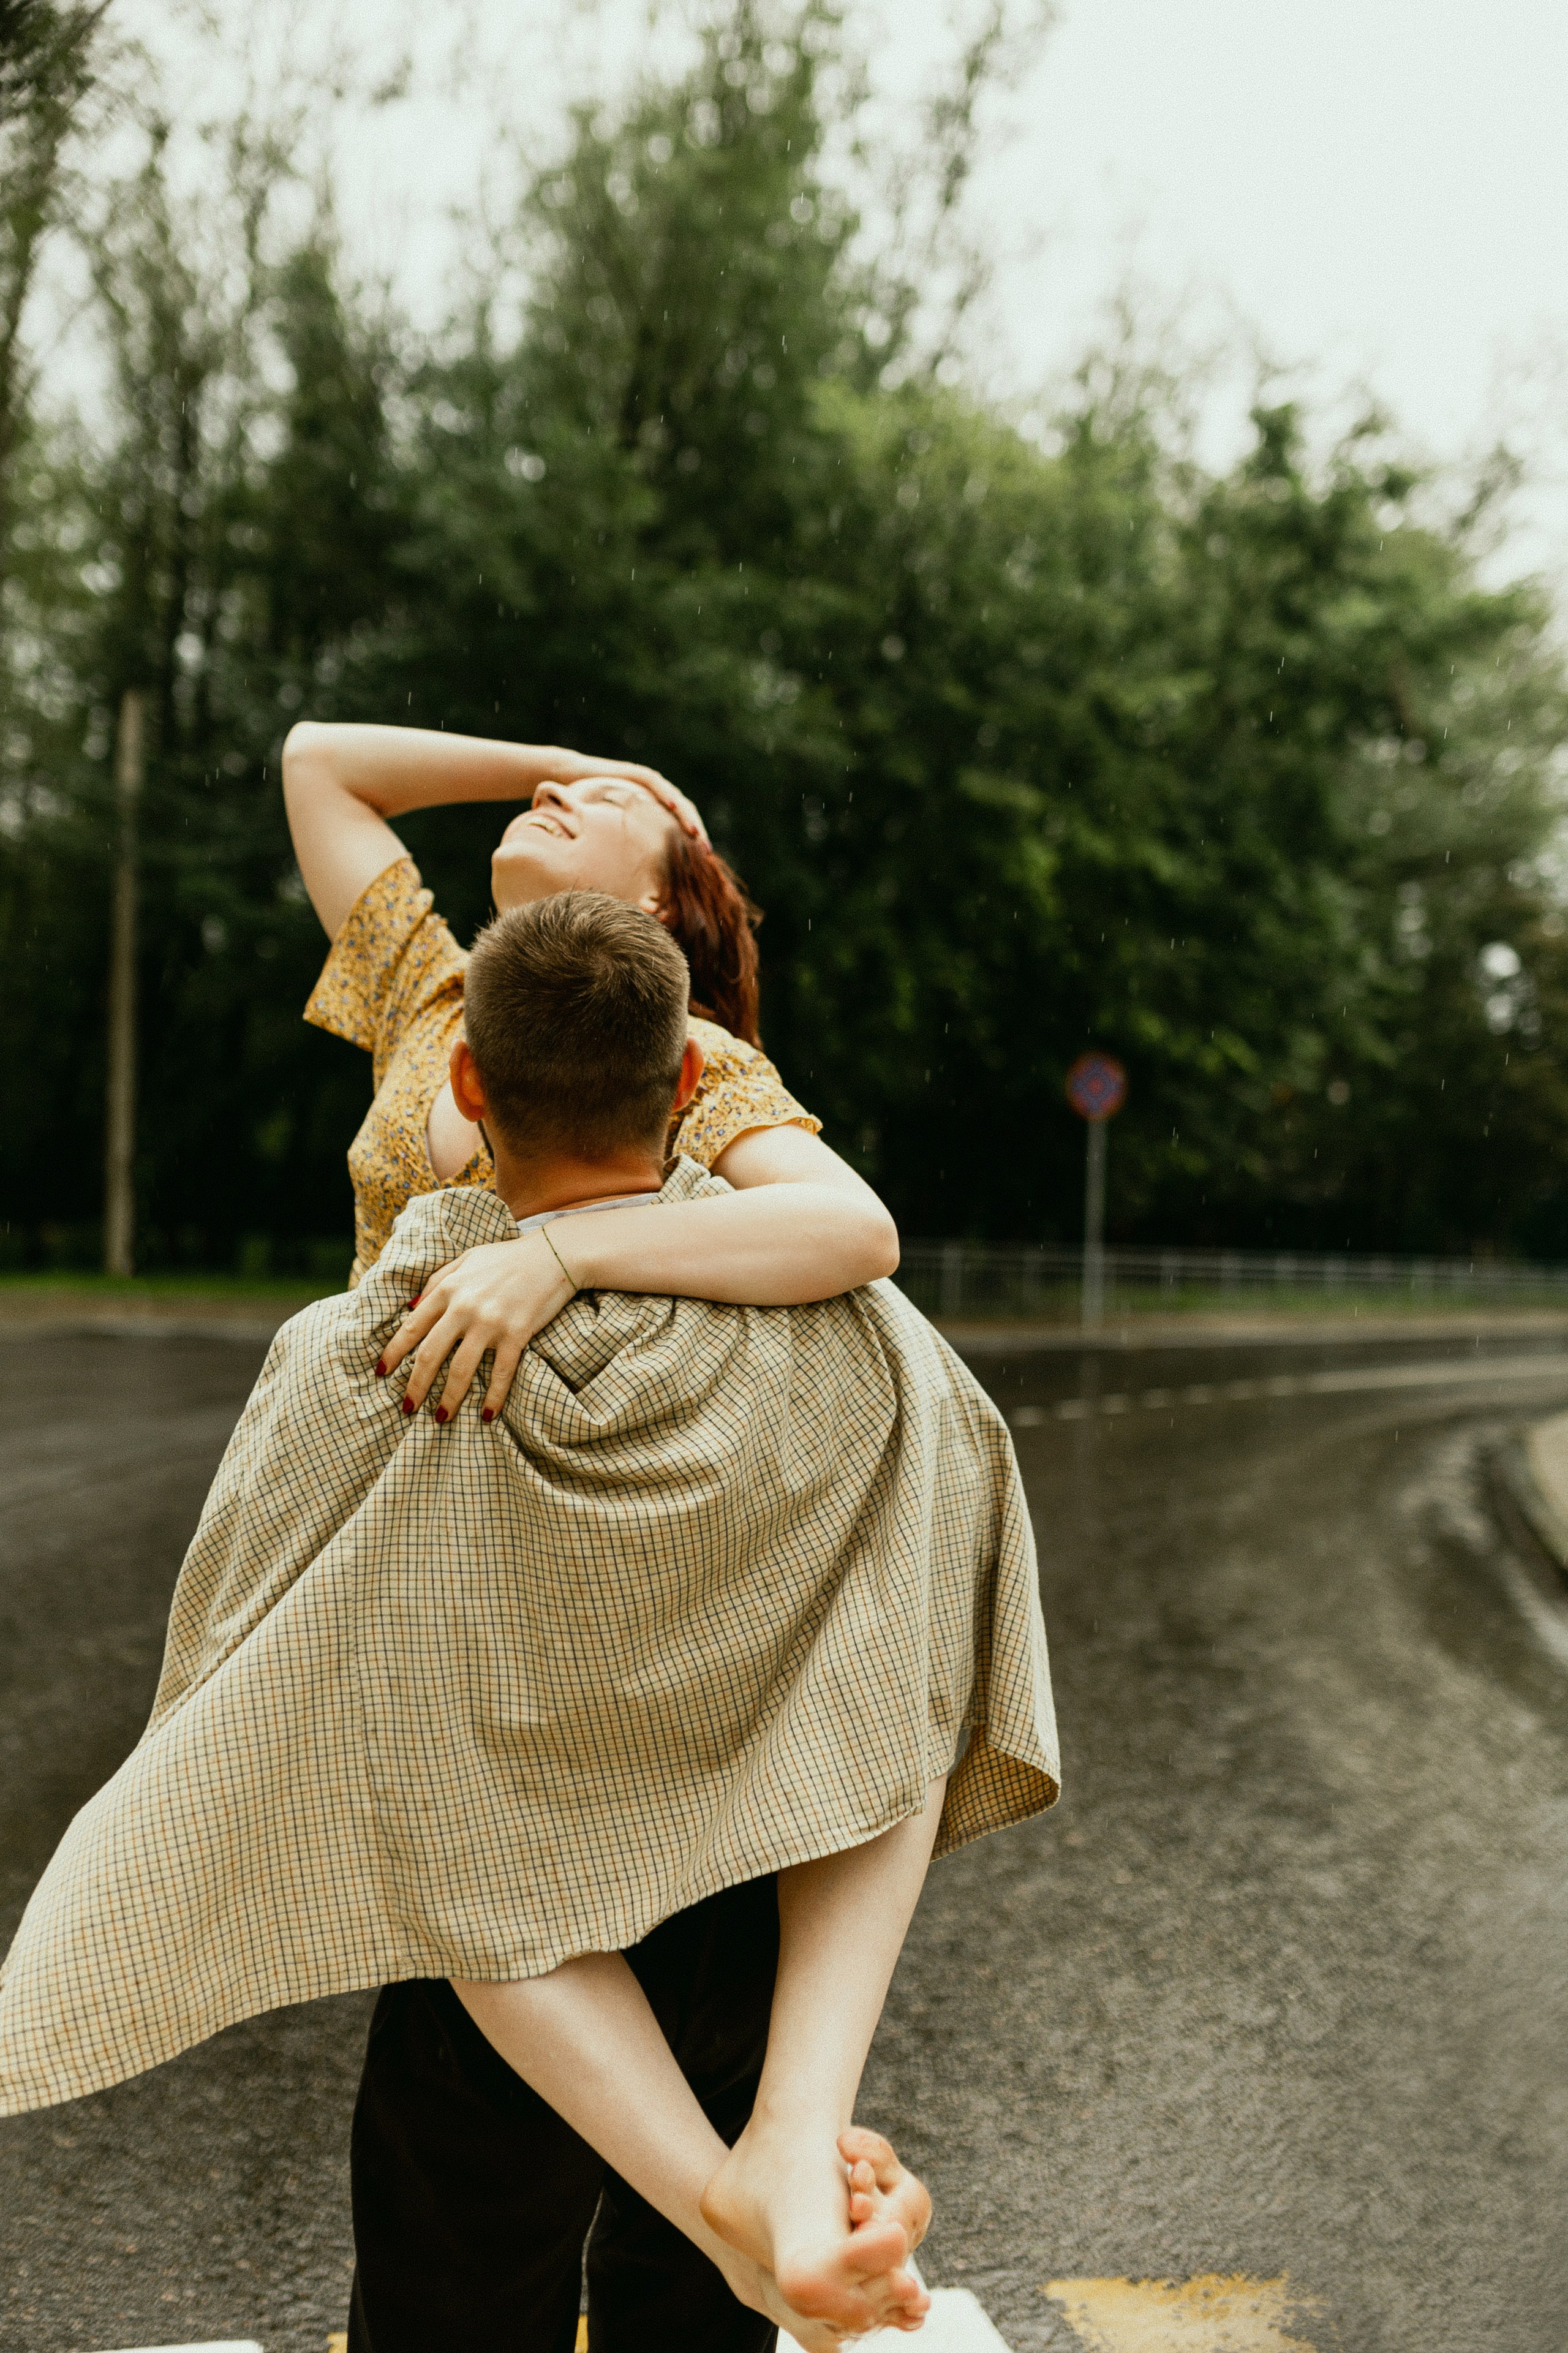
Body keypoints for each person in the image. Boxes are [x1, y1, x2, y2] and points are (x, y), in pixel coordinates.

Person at [0, 893, 1059, 2352]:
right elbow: (938, 1599)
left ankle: (739, 2202)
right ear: (689, 1083)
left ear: (465, 1087)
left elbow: (251, 1652)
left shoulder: (352, 1354)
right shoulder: (856, 1330)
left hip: (497, 1924)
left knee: (458, 2301)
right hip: (748, 1910)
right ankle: (768, 2183)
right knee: (682, 2328)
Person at [281, 720, 900, 1427]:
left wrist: (559, 1255)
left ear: (657, 900)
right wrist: (569, 759)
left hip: (546, 1490)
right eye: (553, 791)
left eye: (605, 802)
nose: (550, 793)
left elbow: (855, 1227)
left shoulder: (673, 1054)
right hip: (363, 1446)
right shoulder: (429, 993)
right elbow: (316, 761)